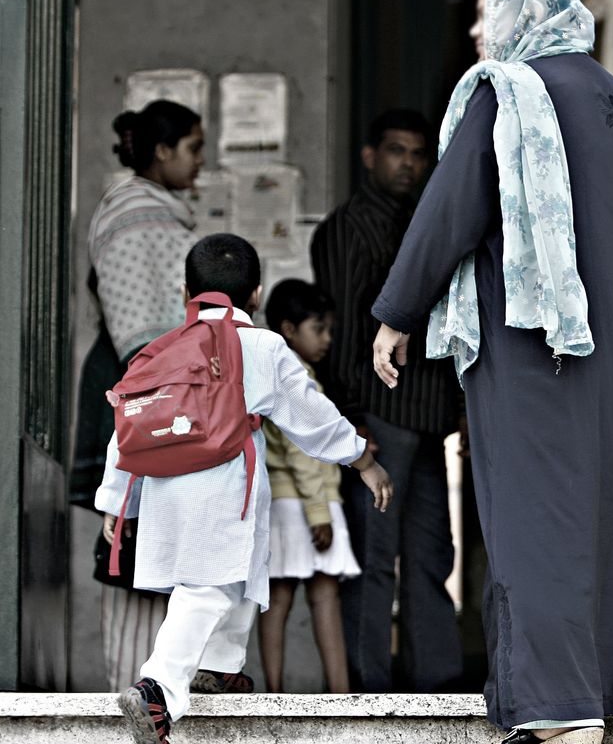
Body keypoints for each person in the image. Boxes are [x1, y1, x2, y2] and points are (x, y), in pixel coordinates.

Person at [369, 0, 613, 743]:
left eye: (486, 12)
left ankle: (559, 709)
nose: (477, 31)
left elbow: (449, 207)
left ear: (523, 14)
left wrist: (398, 311)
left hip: (539, 350)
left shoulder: (508, 92)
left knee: (537, 519)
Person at [97, 234, 392, 744]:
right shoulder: (261, 346)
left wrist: (116, 498)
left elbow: (127, 427)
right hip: (224, 488)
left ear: (187, 290)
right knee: (210, 586)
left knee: (235, 581)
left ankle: (218, 669)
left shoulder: (161, 350)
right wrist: (361, 458)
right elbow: (311, 417)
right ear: (256, 294)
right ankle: (159, 689)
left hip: (166, 490)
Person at [310, 109, 463, 691]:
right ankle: (367, 692)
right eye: (396, 150)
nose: (408, 163)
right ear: (370, 156)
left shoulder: (426, 222)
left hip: (427, 418)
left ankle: (440, 689)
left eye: (418, 153)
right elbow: (345, 328)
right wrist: (350, 420)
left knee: (430, 559)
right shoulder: (348, 228)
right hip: (375, 415)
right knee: (373, 561)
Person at [83, 99, 204, 691]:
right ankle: (129, 694)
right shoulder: (132, 211)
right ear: (163, 150)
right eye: (193, 148)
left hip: (162, 396)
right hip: (140, 396)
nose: (200, 162)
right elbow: (138, 328)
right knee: (128, 542)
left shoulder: (164, 212)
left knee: (163, 548)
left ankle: (157, 693)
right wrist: (158, 403)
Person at [258, 279, 362, 693]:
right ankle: (340, 695)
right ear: (288, 329)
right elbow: (303, 454)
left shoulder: (280, 371)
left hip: (287, 503)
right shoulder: (296, 377)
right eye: (318, 328)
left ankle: (275, 694)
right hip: (305, 503)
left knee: (278, 601)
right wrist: (319, 513)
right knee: (325, 600)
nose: (327, 339)